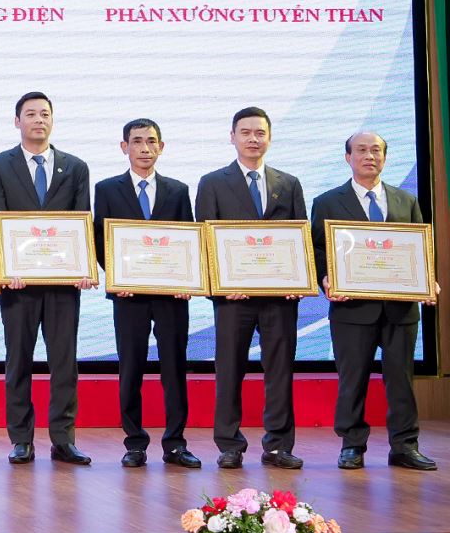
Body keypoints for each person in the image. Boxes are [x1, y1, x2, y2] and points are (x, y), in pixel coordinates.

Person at [311, 131, 437, 471]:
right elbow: (318, 248)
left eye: (376, 150)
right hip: (352, 308)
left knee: (402, 380)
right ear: (348, 157)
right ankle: (352, 445)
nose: (370, 156)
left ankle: (405, 446)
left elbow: (418, 248)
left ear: (385, 157)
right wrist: (325, 277)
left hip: (400, 308)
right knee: (352, 380)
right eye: (362, 150)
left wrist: (427, 279)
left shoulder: (405, 200)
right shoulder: (327, 201)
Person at [0, 91, 93, 465]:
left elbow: (81, 220)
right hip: (18, 285)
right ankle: (21, 439)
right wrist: (4, 268)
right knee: (18, 361)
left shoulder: (75, 167)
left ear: (52, 120)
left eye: (45, 114)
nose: (38, 120)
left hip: (63, 285)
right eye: (30, 114)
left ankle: (63, 439)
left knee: (65, 362)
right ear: (18, 121)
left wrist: (82, 267)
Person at [195, 106, 306, 470]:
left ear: (269, 138)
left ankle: (279, 445)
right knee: (229, 371)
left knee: (280, 372)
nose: (253, 139)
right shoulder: (212, 182)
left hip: (279, 298)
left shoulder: (289, 184)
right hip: (233, 299)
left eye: (260, 133)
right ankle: (229, 444)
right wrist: (218, 286)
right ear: (233, 137)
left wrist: (299, 279)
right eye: (245, 132)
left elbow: (299, 238)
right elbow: (205, 240)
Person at [91, 118, 200, 469]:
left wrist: (187, 280)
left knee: (174, 369)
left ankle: (175, 443)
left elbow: (187, 238)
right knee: (130, 368)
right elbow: (99, 239)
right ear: (124, 147)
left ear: (161, 147)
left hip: (171, 296)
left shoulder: (178, 190)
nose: (144, 148)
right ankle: (135, 443)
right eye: (137, 141)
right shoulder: (107, 189)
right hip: (128, 296)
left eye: (151, 141)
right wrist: (115, 276)